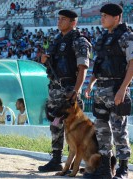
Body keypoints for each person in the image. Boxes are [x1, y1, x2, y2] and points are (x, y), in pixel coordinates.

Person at [84, 4, 133, 179]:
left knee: (119, 130)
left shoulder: (129, 37)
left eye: (105, 16)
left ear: (117, 17)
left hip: (117, 88)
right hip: (101, 89)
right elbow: (99, 64)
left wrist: (123, 89)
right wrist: (90, 83)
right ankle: (104, 168)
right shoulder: (104, 38)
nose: (102, 18)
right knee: (101, 131)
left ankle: (123, 169)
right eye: (101, 15)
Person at [38, 9, 91, 172]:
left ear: (73, 22)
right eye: (59, 18)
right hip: (55, 88)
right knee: (55, 125)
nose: (59, 21)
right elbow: (53, 67)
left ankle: (73, 162)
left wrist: (76, 90)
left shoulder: (79, 41)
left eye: (63, 19)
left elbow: (83, 69)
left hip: (69, 90)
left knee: (74, 128)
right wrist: (45, 60)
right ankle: (56, 159)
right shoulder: (57, 40)